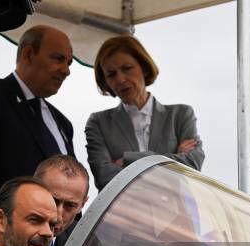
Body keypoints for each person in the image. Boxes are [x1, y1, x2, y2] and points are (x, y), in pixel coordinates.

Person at [0, 25, 75, 219]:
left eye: (69, 62)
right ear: (29, 54)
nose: (66, 71)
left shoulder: (63, 123)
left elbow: (73, 185)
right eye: (58, 59)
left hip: (60, 245)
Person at [85, 35, 205, 190]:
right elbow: (104, 178)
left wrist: (127, 160)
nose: (120, 79)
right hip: (123, 213)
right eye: (111, 74)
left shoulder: (181, 115)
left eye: (126, 68)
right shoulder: (98, 122)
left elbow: (192, 166)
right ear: (105, 81)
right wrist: (174, 160)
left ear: (144, 67)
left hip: (175, 213)